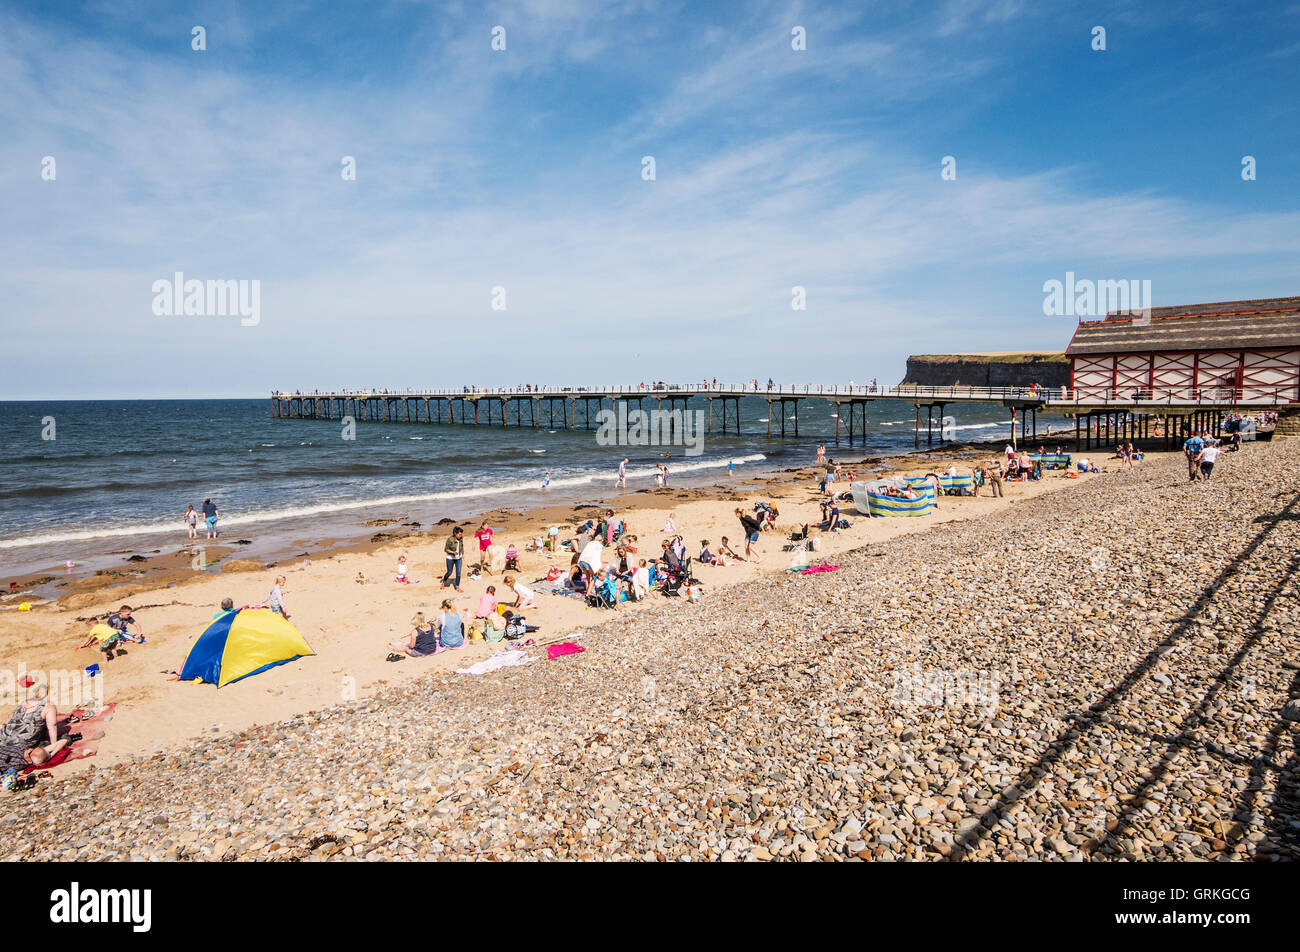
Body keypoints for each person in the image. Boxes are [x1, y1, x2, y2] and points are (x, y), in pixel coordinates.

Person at [442, 527, 465, 592]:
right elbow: (446, 549)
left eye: (461, 534)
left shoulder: (461, 538)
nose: (461, 536)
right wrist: (453, 552)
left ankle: (457, 586)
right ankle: (444, 581)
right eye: (459, 534)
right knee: (449, 572)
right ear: (455, 533)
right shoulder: (450, 540)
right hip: (450, 558)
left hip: (459, 558)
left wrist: (462, 554)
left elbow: (462, 546)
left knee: (458, 573)